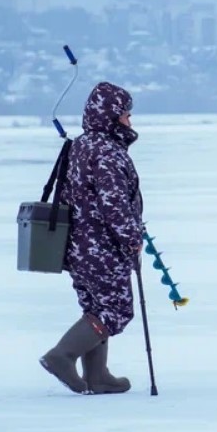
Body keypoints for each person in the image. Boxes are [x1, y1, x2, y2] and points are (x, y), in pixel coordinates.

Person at [39, 81, 143, 395]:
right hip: (101, 247)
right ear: (112, 115)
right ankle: (62, 355)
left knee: (97, 307)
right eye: (126, 114)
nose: (129, 120)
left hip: (76, 246)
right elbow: (113, 203)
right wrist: (131, 236)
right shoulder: (107, 152)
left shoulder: (82, 145)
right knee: (116, 309)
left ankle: (97, 375)